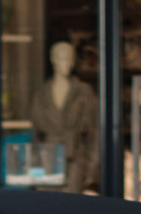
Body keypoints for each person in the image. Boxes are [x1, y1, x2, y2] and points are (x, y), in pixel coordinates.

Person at [29, 41, 98, 193]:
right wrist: (33, 167)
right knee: (47, 207)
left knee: (71, 206)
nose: (67, 63)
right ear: (53, 59)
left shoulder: (83, 91)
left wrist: (92, 168)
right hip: (48, 157)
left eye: (69, 58)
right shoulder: (41, 93)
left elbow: (93, 133)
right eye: (62, 58)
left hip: (75, 156)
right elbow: (36, 135)